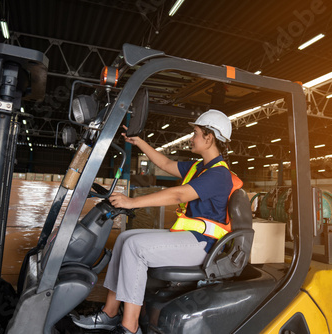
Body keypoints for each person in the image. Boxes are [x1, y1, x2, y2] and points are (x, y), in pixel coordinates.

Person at [72, 109, 238, 334]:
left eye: (196, 133)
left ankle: (129, 328)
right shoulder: (199, 168)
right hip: (190, 238)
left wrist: (132, 202)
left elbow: (179, 195)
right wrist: (139, 142)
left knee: (135, 247)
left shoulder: (219, 175)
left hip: (204, 245)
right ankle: (110, 313)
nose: (192, 137)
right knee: (124, 238)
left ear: (209, 138)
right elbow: (166, 164)